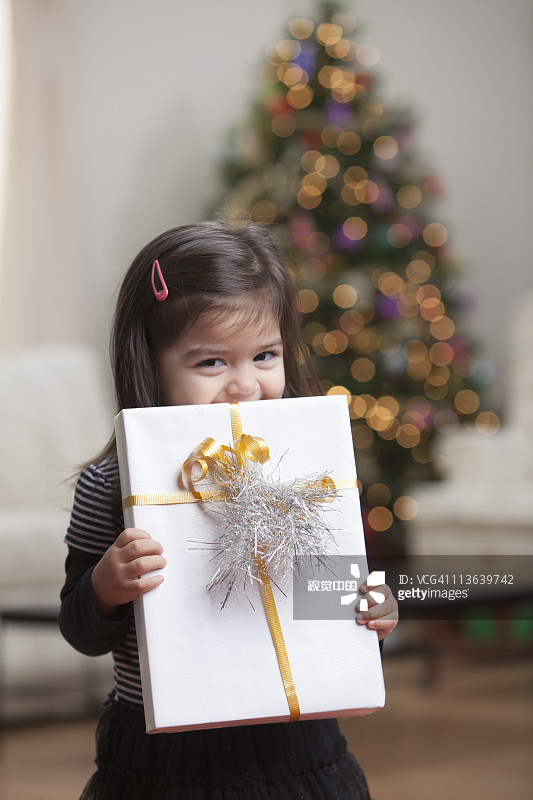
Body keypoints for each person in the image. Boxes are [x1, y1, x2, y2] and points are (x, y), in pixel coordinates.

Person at [60, 220, 398, 800]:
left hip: (298, 749)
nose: (245, 385)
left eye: (265, 355)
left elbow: (327, 612)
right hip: (163, 764)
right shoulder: (108, 485)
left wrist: (370, 616)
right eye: (212, 363)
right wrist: (105, 587)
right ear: (151, 362)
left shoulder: (307, 470)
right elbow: (79, 628)